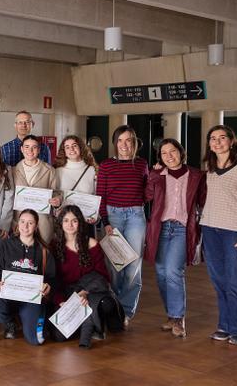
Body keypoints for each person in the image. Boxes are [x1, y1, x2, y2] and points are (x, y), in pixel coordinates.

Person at [200, 125, 237, 347]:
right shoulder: (211, 167)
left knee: (236, 282)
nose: (217, 142)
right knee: (219, 281)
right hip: (210, 229)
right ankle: (224, 326)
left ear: (232, 141)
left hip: (235, 232)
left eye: (222, 138)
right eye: (212, 138)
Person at [144, 139, 206, 338]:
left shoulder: (196, 175)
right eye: (164, 153)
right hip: (160, 228)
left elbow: (204, 201)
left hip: (182, 229)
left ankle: (179, 318)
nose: (169, 156)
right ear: (160, 157)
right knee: (161, 273)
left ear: (181, 152)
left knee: (173, 271)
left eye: (173, 151)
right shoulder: (158, 175)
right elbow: (147, 196)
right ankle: (171, 315)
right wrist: (152, 176)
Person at [96, 125, 148, 326]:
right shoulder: (106, 165)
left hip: (136, 215)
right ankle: (113, 305)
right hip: (113, 216)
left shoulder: (142, 164)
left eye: (128, 140)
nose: (124, 145)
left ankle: (126, 311)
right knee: (114, 266)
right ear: (115, 143)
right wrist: (106, 222)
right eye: (120, 140)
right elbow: (100, 195)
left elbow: (147, 193)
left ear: (134, 143)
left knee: (133, 265)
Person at [50, 206, 124, 348]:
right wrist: (61, 302)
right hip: (66, 293)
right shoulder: (54, 246)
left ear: (80, 223)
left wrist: (84, 293)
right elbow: (53, 280)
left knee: (105, 304)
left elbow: (103, 276)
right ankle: (85, 322)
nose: (70, 225)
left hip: (91, 291)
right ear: (60, 223)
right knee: (59, 336)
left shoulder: (92, 244)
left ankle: (97, 325)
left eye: (74, 221)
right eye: (66, 220)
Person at [0, 209, 55, 345]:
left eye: (30, 223)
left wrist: (48, 286)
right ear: (18, 224)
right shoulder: (4, 245)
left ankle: (29, 319)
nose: (25, 226)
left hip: (31, 300)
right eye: (22, 222)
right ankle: (10, 322)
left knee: (36, 341)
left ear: (36, 227)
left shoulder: (44, 250)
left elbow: (52, 278)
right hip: (9, 296)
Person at [13, 135, 60, 243]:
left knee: (42, 254)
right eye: (26, 147)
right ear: (21, 149)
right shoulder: (13, 170)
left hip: (42, 222)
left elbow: (56, 193)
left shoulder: (50, 170)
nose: (30, 150)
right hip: (21, 222)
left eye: (34, 147)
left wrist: (57, 200)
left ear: (38, 150)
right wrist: (14, 222)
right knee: (22, 257)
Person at [53, 135, 98, 236]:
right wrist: (56, 207)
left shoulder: (92, 170)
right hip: (65, 223)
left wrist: (96, 216)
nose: (71, 149)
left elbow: (97, 195)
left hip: (86, 222)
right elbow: (54, 196)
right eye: (67, 147)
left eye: (74, 145)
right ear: (64, 151)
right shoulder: (57, 171)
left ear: (81, 148)